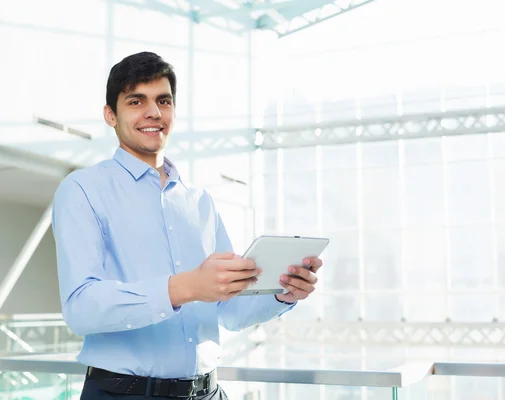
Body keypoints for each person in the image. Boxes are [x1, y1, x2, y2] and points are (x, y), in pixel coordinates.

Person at [51, 51, 322, 400]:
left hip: (208, 392)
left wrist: (283, 293)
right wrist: (186, 287)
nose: (153, 112)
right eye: (137, 101)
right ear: (110, 115)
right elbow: (81, 308)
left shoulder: (200, 202)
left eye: (163, 101)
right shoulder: (83, 190)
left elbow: (230, 311)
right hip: (125, 394)